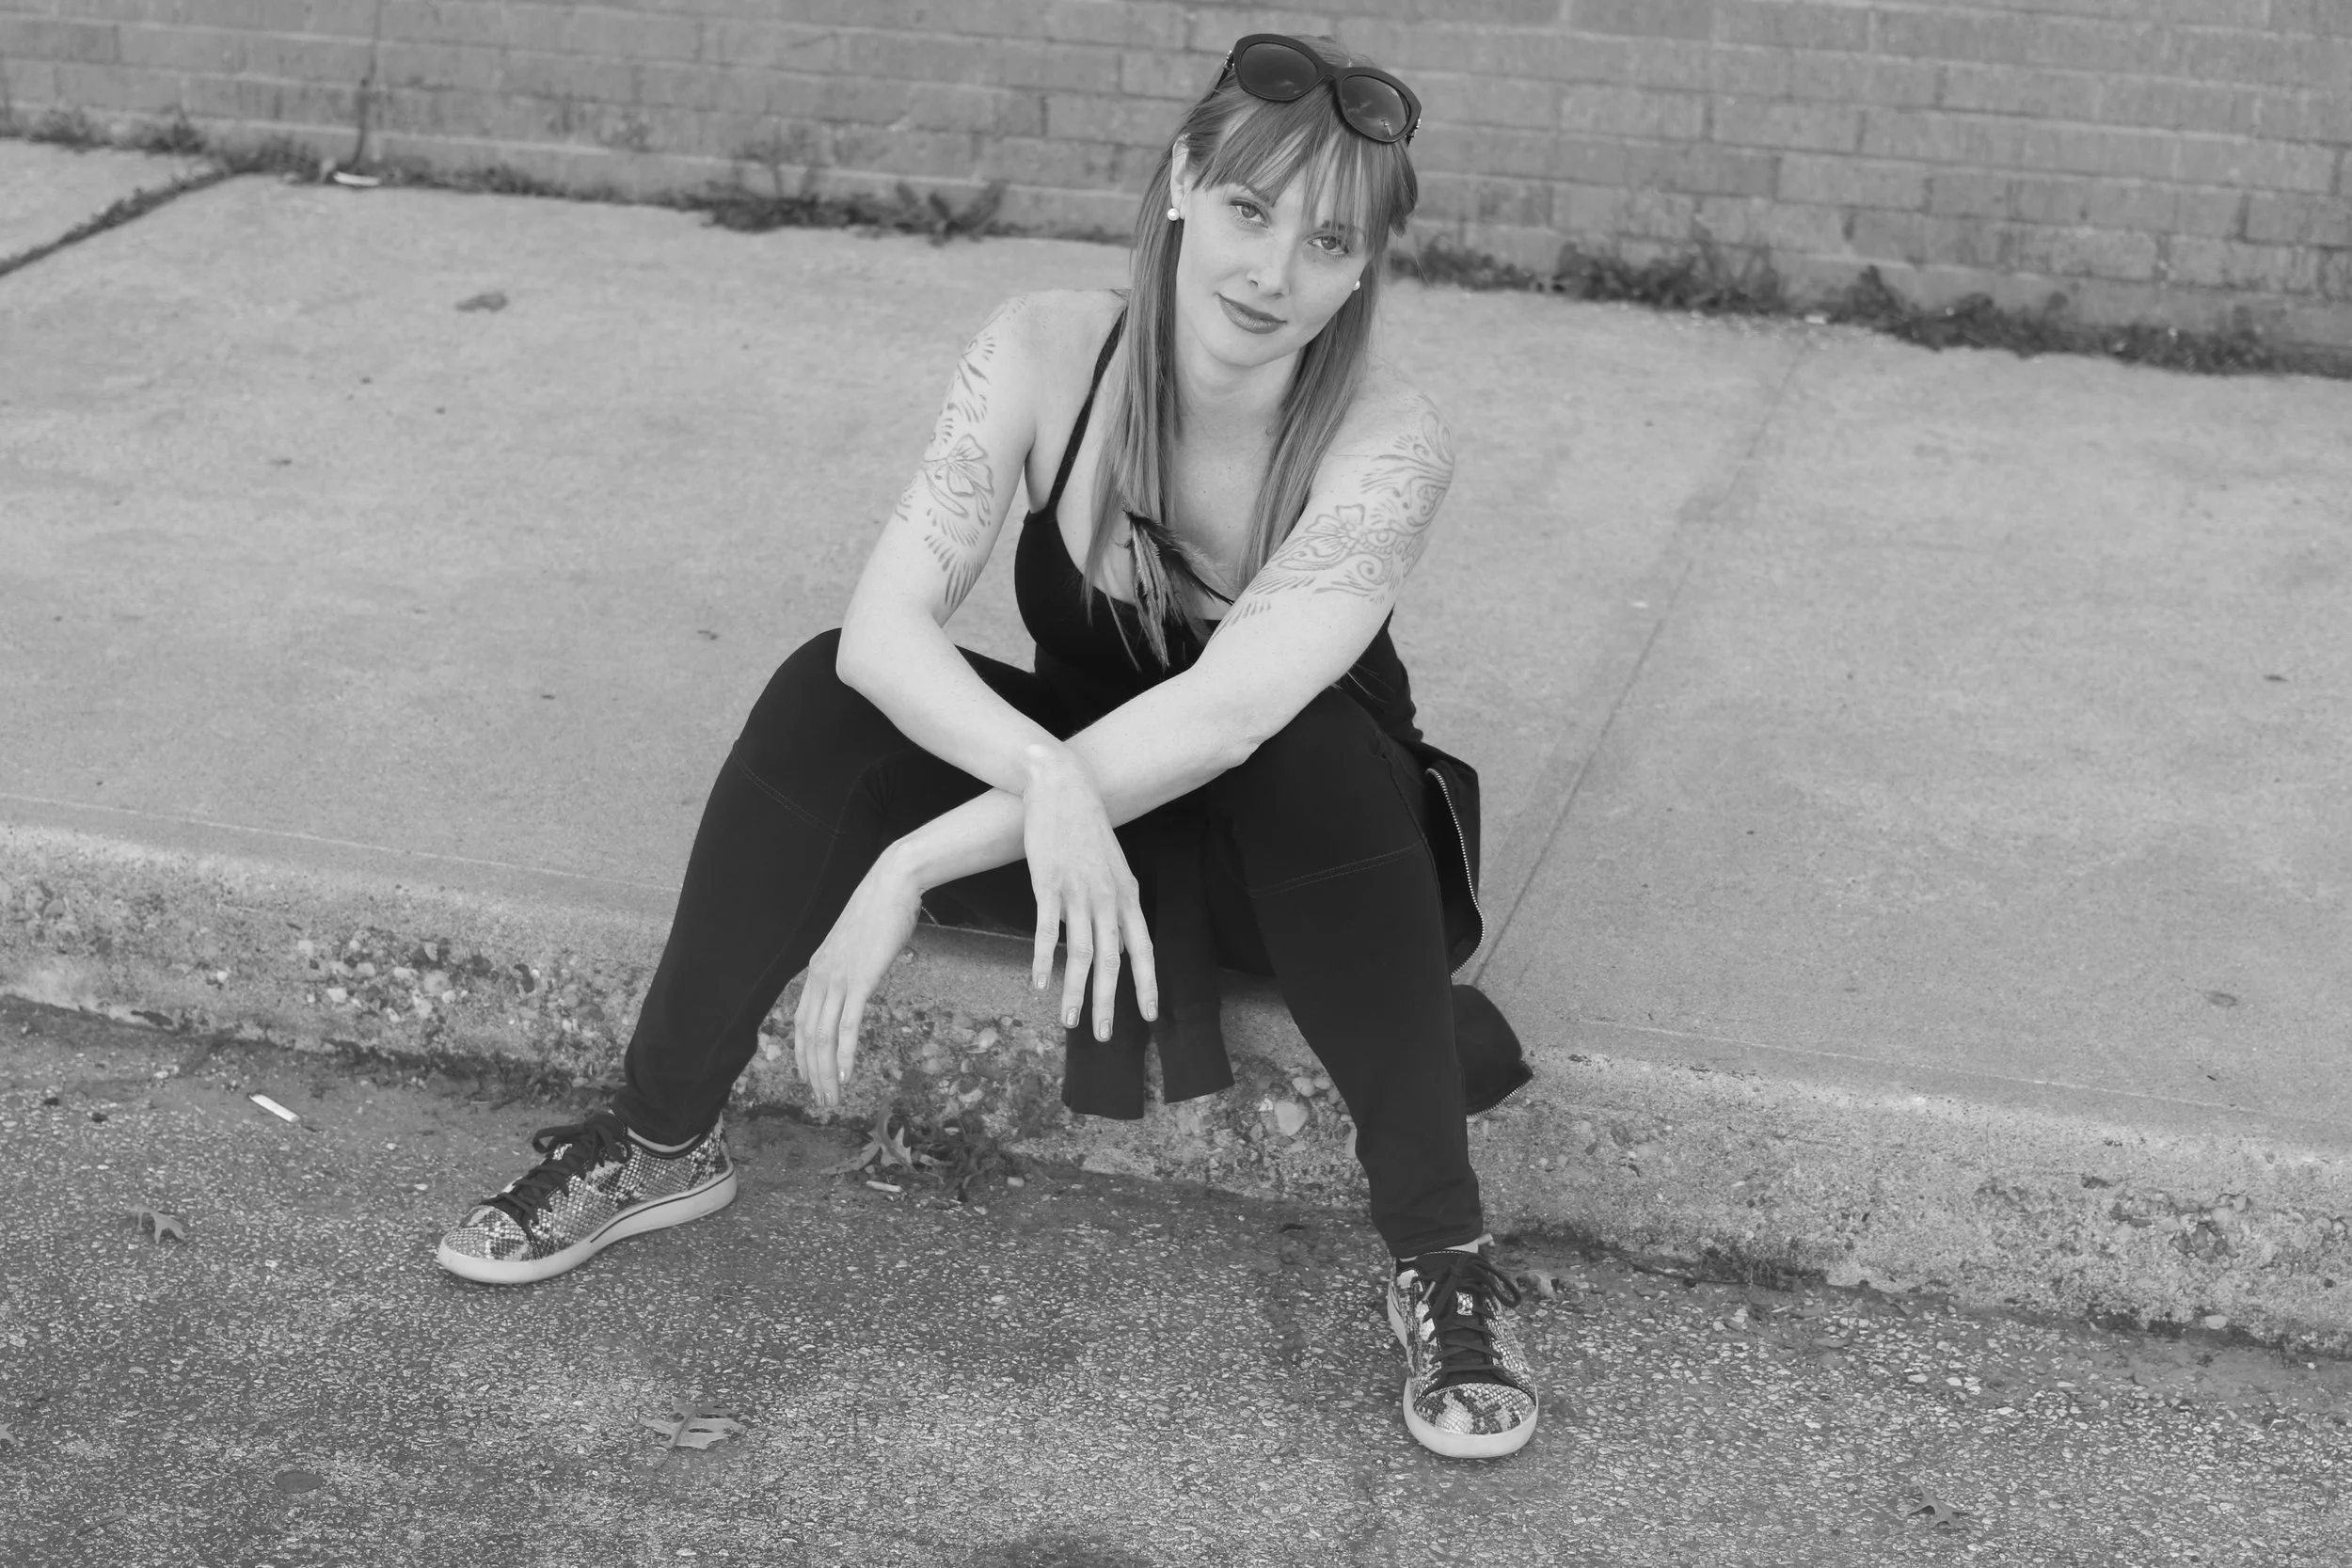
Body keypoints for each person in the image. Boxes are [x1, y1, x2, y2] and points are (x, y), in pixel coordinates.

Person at [435, 33, 1539, 1460]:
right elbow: (881, 630)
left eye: (1329, 242)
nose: (1275, 273)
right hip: (1076, 815)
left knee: (1321, 752)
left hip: (1312, 863)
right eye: (1255, 213)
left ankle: (1445, 1259)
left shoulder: (1389, 440)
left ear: (1361, 269)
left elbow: (1232, 714)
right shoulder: (1038, 348)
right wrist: (1047, 779)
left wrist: (912, 860)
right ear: (1188, 184)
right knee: (817, 697)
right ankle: (658, 1140)